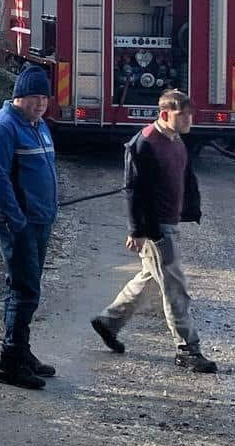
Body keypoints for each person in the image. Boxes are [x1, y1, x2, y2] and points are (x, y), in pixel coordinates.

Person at [92, 88, 216, 373]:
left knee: (149, 278)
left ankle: (108, 321)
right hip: (157, 229)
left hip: (169, 223)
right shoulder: (144, 143)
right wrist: (137, 230)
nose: (188, 121)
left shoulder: (177, 141)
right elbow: (134, 192)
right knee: (176, 288)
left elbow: (185, 177)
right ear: (164, 114)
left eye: (190, 115)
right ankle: (187, 349)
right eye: (182, 115)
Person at [0, 64, 59, 389]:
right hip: (17, 222)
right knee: (24, 289)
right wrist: (17, 220)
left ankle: (21, 350)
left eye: (44, 97)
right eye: (34, 97)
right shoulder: (2, 127)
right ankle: (9, 362)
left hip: (39, 219)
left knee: (28, 286)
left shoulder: (38, 124)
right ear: (19, 96)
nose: (40, 103)